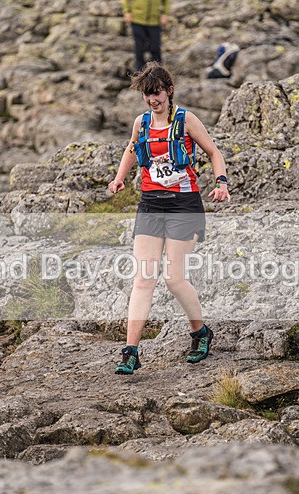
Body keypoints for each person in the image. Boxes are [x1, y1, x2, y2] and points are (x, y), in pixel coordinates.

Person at [108, 62, 230, 375]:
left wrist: (221, 182)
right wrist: (120, 177)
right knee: (143, 278)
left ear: (169, 90)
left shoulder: (186, 119)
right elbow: (132, 150)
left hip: (184, 205)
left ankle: (200, 332)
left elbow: (214, 153)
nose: (152, 99)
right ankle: (131, 351)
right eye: (147, 95)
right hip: (150, 204)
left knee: (173, 279)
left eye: (157, 93)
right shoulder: (142, 122)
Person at [121, 0, 169, 73]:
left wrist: (165, 14)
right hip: (137, 20)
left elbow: (166, 1)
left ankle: (158, 74)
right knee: (139, 49)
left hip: (155, 21)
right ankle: (139, 76)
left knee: (156, 49)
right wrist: (127, 11)